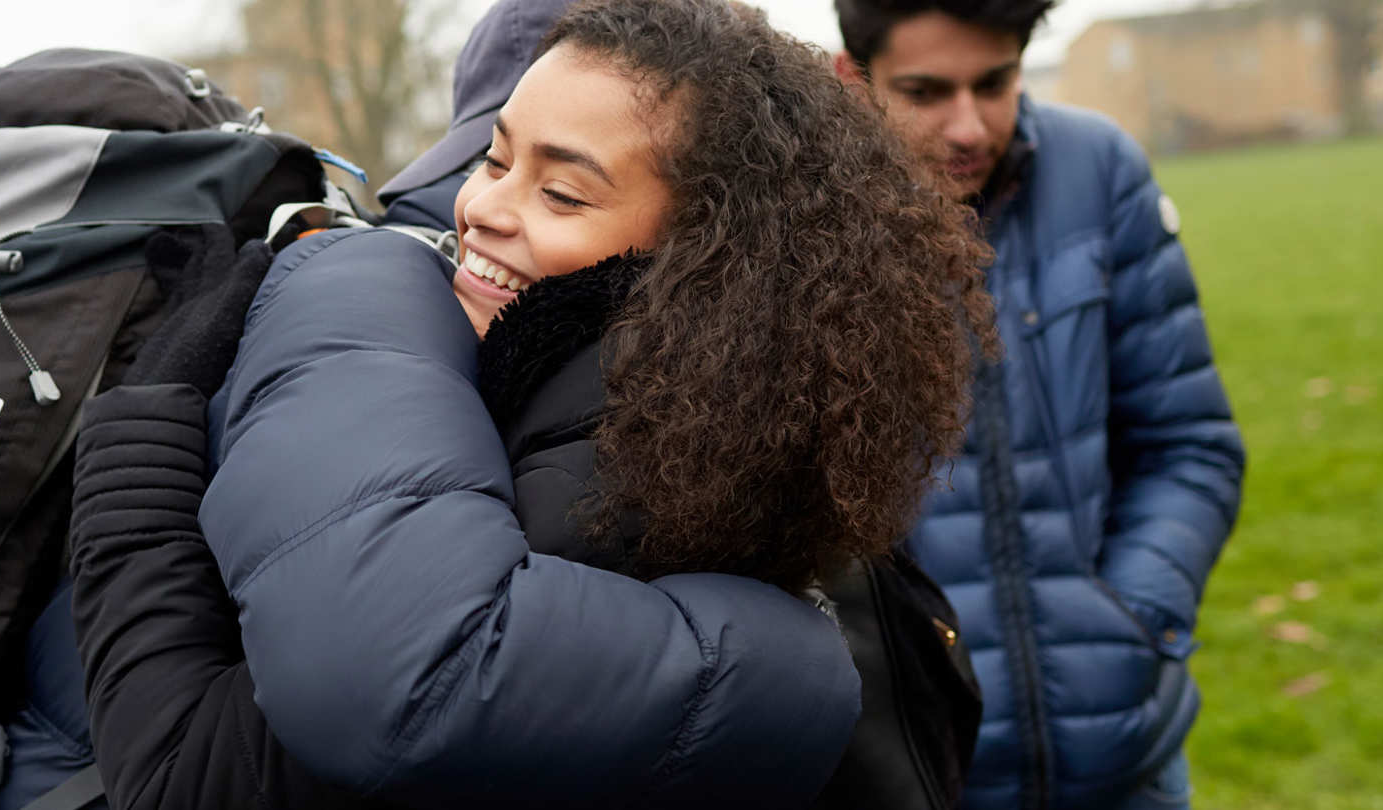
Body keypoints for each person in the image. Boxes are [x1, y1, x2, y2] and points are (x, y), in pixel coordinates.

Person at [60, 0, 997, 808]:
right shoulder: (701, 438)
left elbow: (187, 771)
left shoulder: (598, 492)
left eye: (560, 191)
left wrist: (141, 438)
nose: (482, 209)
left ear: (714, 262)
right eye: (494, 158)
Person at [826, 1, 1249, 808]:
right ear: (854, 80)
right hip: (915, 771)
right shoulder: (796, 223)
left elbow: (1189, 446)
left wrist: (1129, 621)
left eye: (995, 83)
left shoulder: (1099, 171)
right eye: (924, 92)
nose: (969, 127)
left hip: (1124, 757)